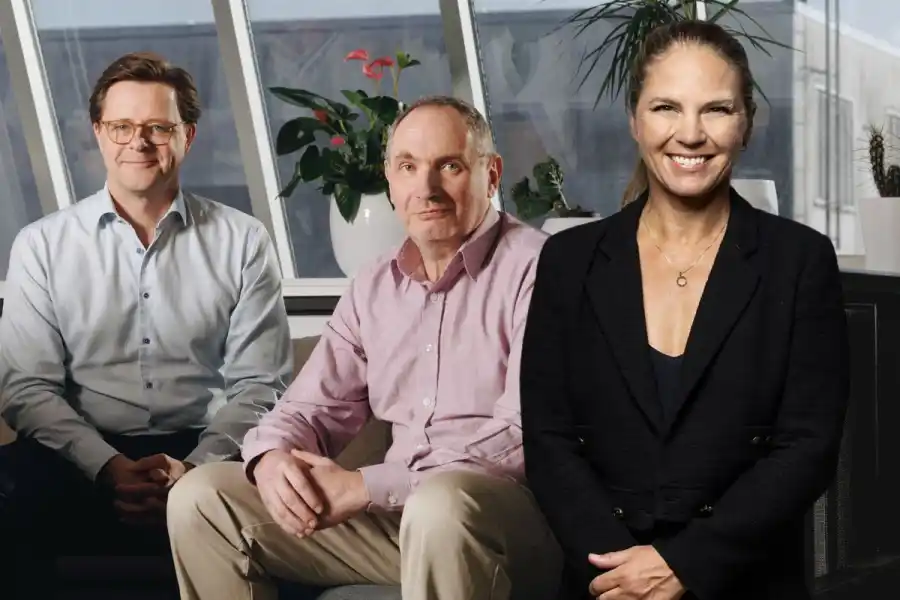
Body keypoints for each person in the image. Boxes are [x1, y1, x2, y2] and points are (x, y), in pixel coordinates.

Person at [165, 95, 562, 600]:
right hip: (394, 523)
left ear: (491, 173)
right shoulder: (375, 285)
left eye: (450, 166)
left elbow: (524, 435)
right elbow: (309, 407)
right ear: (390, 180)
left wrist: (366, 486)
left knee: (439, 505)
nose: (427, 187)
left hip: (509, 522)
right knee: (200, 498)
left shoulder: (542, 268)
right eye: (408, 166)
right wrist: (271, 459)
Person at [520, 21, 849, 600]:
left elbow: (807, 448)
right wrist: (621, 574)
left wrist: (684, 566)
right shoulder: (568, 261)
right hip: (607, 586)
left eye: (716, 109)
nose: (690, 134)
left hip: (746, 583)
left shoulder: (800, 262)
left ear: (746, 122)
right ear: (635, 119)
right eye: (667, 107)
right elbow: (549, 440)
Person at [0, 52, 292, 598]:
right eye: (122, 127)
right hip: (79, 452)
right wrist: (107, 465)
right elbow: (26, 389)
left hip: (206, 448)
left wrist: (195, 470)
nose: (139, 142)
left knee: (287, 488)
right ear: (98, 133)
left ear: (188, 136)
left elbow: (260, 384)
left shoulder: (244, 240)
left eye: (158, 127)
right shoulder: (40, 245)